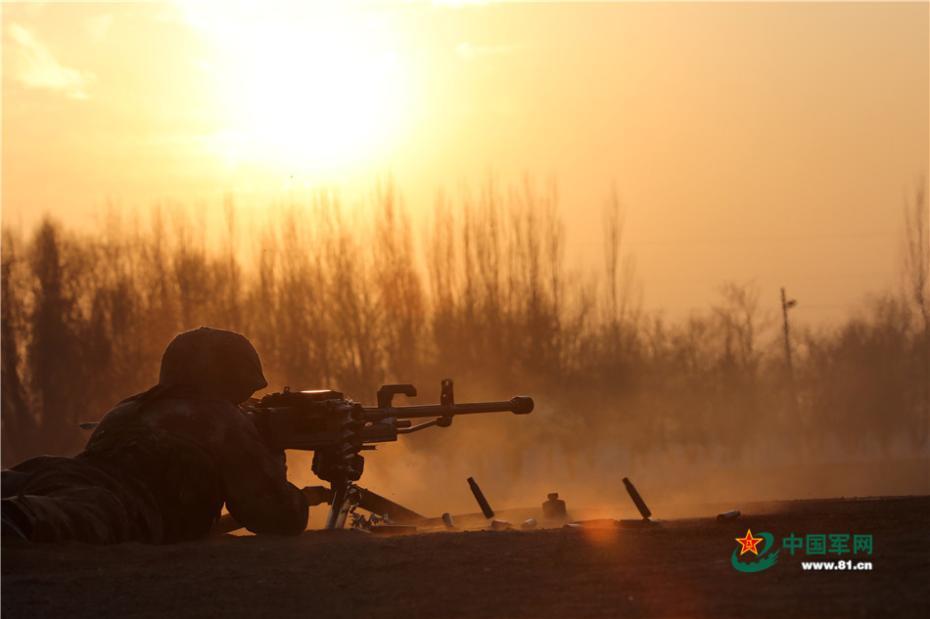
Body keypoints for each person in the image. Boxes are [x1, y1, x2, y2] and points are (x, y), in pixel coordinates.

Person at [1, 327, 309, 544]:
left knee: (28, 481)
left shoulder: (128, 408)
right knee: (59, 515)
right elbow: (277, 516)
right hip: (124, 502)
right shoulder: (219, 417)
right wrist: (272, 455)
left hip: (66, 471)